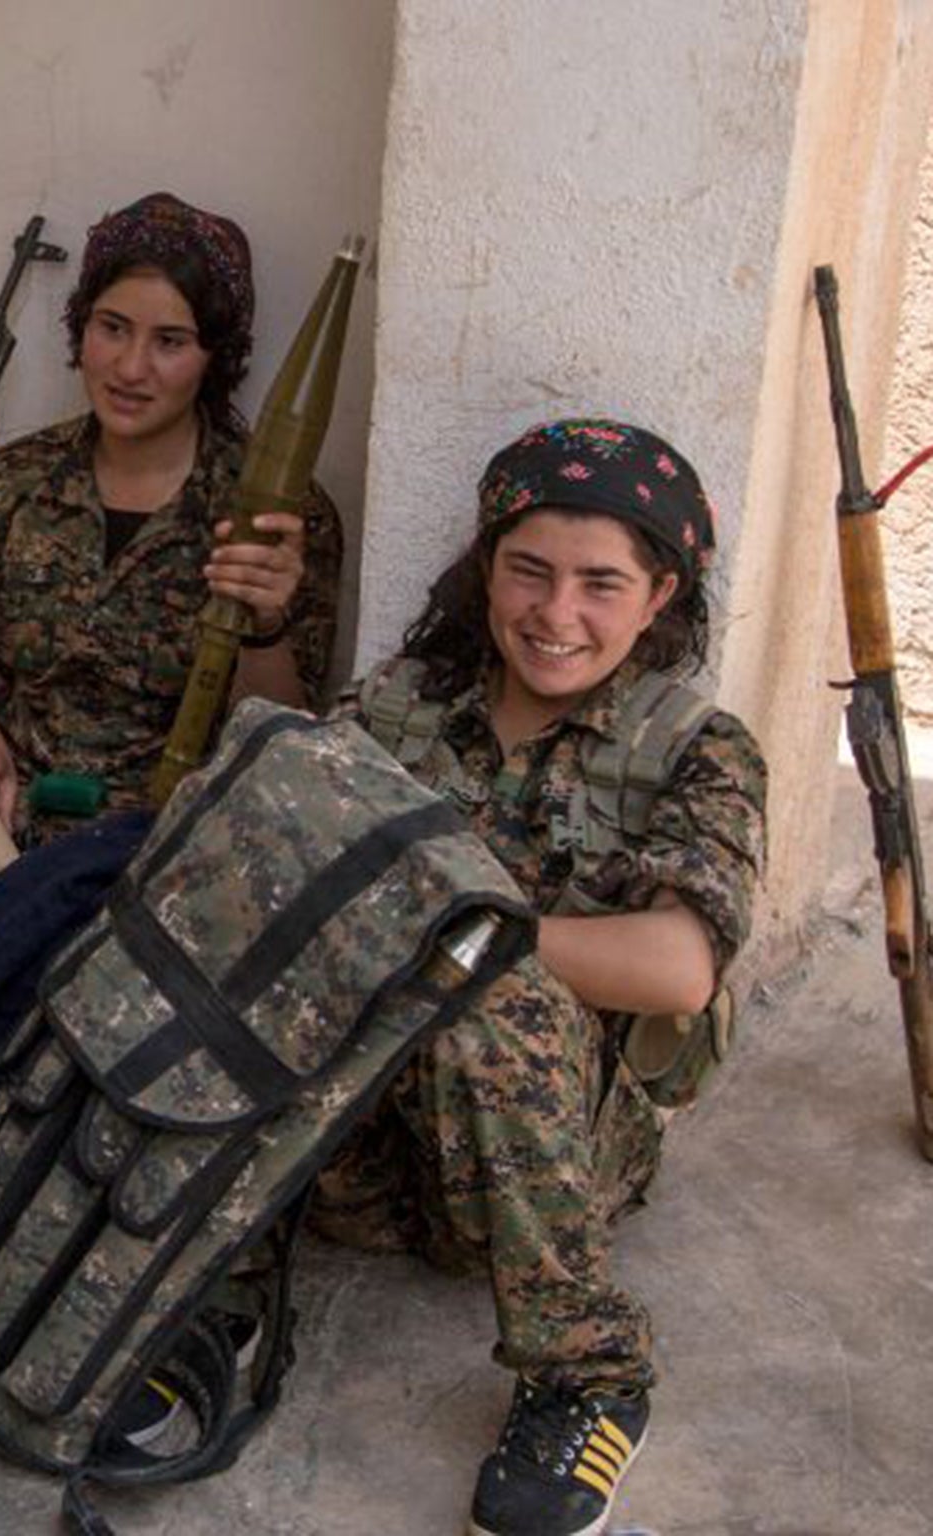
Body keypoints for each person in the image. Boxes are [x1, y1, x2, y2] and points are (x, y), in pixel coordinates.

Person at [315, 418, 767, 1536]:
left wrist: (452, 933)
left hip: (550, 1154)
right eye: (527, 571)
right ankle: (195, 1296)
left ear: (658, 595)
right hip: (357, 1164)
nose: (555, 617)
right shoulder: (404, 705)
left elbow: (674, 971)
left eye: (599, 584)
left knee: (490, 981)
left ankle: (587, 1374)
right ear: (484, 571)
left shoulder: (695, 752)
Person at [0, 191, 346, 956]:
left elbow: (284, 739)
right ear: (83, 330)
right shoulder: (13, 483)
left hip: (166, 843)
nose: (131, 367)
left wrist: (266, 622)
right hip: (1, 822)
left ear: (215, 358)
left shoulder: (275, 509)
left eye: (170, 341)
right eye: (113, 329)